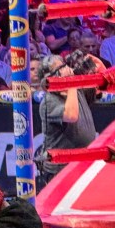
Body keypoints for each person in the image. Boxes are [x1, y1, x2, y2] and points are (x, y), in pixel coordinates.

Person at [37, 55, 96, 183]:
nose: (67, 69)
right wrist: (71, 82)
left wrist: (95, 67)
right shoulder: (49, 101)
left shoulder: (75, 90)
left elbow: (98, 90)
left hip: (82, 162)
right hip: (60, 169)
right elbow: (71, 115)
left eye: (65, 65)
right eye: (61, 68)